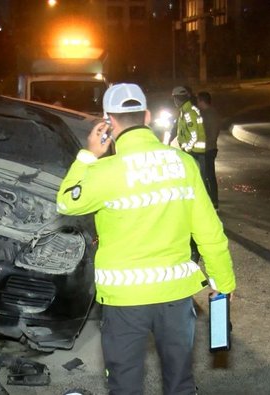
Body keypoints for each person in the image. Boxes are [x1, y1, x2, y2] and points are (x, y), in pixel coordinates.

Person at [56, 83, 236, 394]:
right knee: (180, 382)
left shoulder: (104, 172)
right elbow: (210, 231)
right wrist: (224, 282)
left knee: (125, 385)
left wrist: (88, 155)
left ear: (108, 123)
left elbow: (66, 202)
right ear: (148, 116)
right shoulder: (183, 164)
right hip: (175, 297)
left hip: (124, 300)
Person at [169, 86, 206, 172]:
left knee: (199, 178)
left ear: (177, 99)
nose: (174, 102)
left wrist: (186, 149)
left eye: (174, 99)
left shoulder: (188, 113)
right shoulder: (185, 110)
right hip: (195, 151)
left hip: (195, 152)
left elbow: (194, 136)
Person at [197, 91, 221, 209]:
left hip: (208, 149)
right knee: (208, 175)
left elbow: (211, 134)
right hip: (209, 148)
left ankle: (213, 201)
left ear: (202, 101)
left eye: (198, 101)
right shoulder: (209, 113)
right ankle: (212, 200)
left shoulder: (208, 114)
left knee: (208, 175)